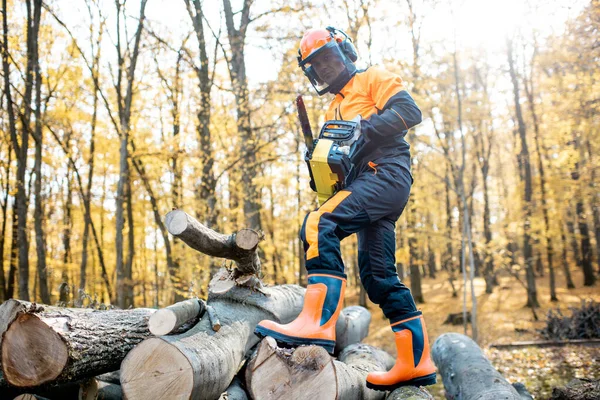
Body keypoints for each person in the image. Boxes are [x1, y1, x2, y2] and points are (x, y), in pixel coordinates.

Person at [255, 26, 436, 391]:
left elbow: (409, 111)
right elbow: (335, 174)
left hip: (386, 171)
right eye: (315, 65)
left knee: (319, 223)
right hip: (364, 183)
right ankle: (416, 362)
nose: (322, 68)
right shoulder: (333, 108)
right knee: (378, 276)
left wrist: (362, 131)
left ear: (345, 51)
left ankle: (318, 322)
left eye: (325, 58)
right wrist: (318, 165)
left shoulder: (373, 78)